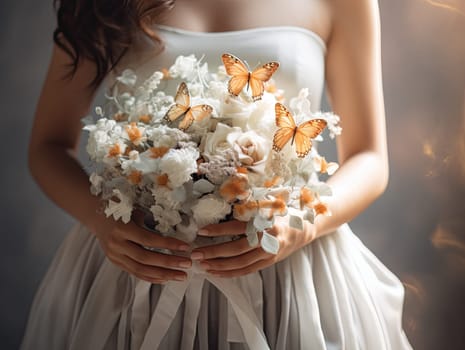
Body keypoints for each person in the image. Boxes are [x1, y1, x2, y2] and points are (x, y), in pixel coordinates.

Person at [21, 0, 413, 349]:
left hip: (286, 269)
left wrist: (299, 225)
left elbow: (370, 158)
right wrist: (102, 221)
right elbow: (48, 146)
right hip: (137, 268)